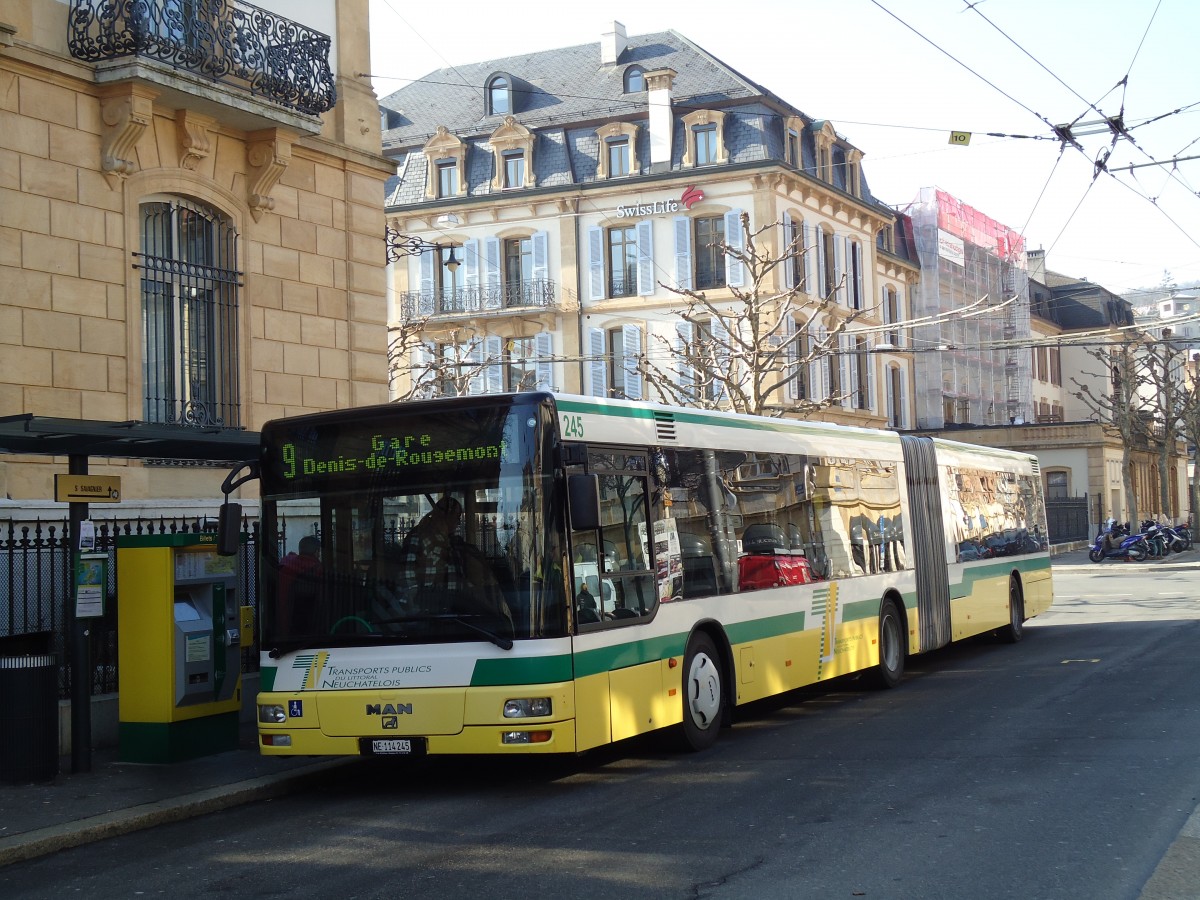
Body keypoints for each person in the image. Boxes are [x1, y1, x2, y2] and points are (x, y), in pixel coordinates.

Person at [277, 535, 322, 634]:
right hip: (307, 625)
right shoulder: (317, 570)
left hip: (282, 624)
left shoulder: (286, 565)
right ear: (316, 551)